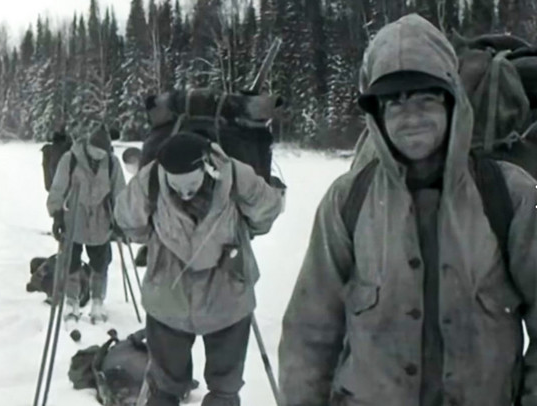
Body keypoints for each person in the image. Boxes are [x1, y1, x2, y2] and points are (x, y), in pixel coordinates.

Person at [279, 13, 537, 406]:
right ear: (377, 116)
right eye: (394, 103)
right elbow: (309, 333)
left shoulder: (509, 194)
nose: (411, 116)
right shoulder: (347, 200)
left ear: (453, 102)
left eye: (425, 97)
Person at [114, 132, 284, 406]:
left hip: (219, 299)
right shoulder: (149, 181)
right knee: (167, 388)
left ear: (207, 166)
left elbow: (268, 209)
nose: (184, 192)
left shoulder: (237, 176)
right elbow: (128, 220)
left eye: (191, 185)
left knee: (221, 390)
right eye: (177, 185)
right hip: (183, 300)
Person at [47, 126, 126, 323]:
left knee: (101, 263)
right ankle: (72, 301)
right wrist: (56, 214)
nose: (99, 155)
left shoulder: (112, 164)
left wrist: (120, 220)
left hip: (101, 219)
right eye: (96, 151)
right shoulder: (70, 159)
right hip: (74, 218)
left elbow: (119, 192)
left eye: (103, 152)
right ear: (88, 146)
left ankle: (98, 301)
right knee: (71, 263)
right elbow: (58, 187)